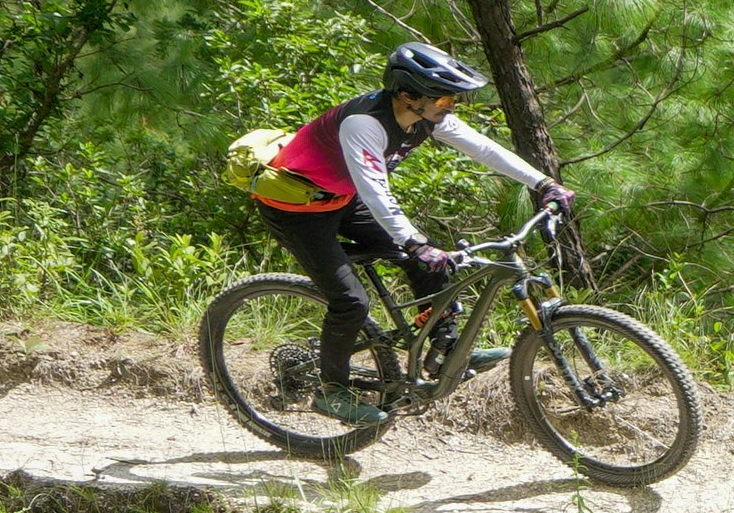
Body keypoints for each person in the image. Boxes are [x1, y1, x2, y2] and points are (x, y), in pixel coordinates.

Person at [244, 43, 572, 436]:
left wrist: (543, 182)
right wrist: (414, 243)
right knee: (350, 301)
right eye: (446, 97)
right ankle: (331, 390)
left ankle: (443, 348)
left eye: (455, 98)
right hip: (296, 210)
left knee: (430, 263)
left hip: (342, 199)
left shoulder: (427, 116)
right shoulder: (363, 123)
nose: (452, 106)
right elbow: (375, 190)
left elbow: (483, 148)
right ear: (407, 94)